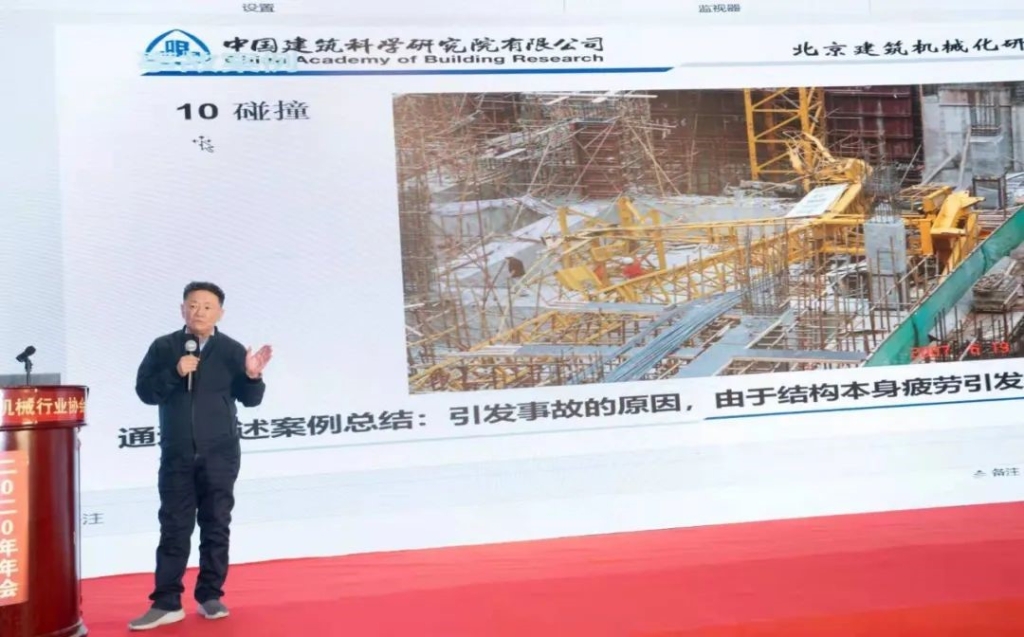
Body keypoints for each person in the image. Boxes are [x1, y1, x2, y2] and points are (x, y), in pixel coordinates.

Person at [128, 282, 272, 631]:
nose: (199, 312)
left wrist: (253, 376)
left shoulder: (231, 350)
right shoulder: (164, 347)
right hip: (177, 453)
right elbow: (145, 392)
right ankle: (166, 602)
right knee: (174, 526)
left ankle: (210, 595)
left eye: (207, 306)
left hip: (220, 454)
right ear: (182, 310)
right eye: (193, 305)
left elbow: (250, 400)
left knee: (216, 524)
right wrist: (175, 372)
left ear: (220, 312)